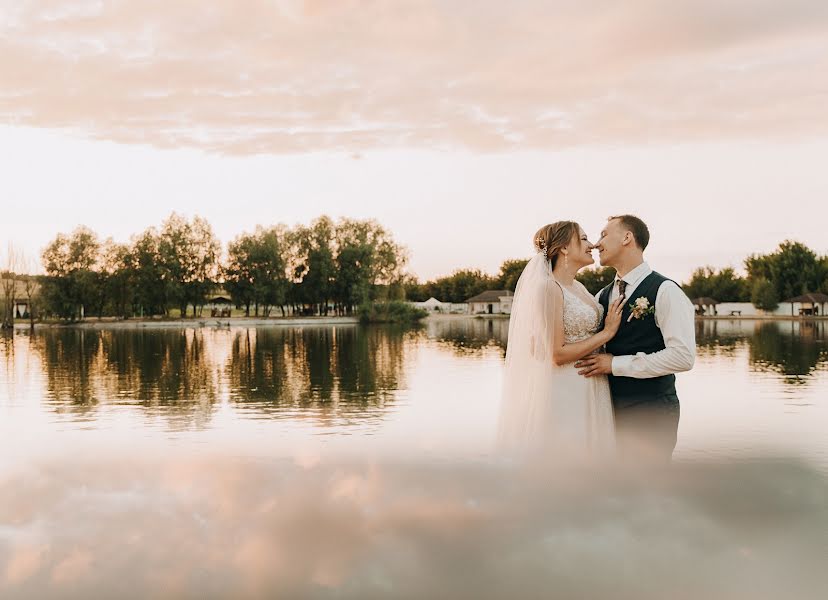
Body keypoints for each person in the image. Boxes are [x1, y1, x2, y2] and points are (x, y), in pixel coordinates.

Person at [498, 221, 623, 460]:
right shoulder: (548, 288)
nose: (592, 245)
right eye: (584, 239)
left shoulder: (579, 288)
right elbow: (556, 354)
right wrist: (606, 334)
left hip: (592, 383)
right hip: (567, 388)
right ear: (565, 248)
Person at [575, 215, 696, 462]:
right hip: (606, 411)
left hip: (651, 413)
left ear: (627, 237)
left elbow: (683, 357)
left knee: (647, 490)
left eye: (604, 234)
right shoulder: (602, 295)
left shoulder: (666, 291)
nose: (597, 244)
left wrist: (615, 364)